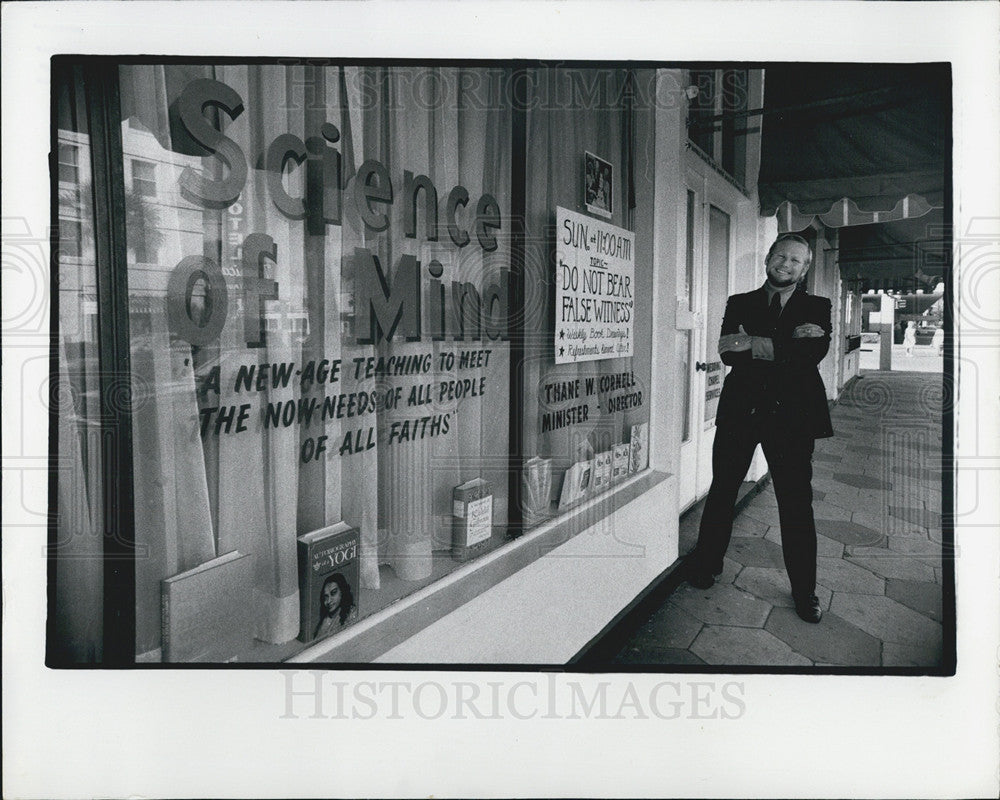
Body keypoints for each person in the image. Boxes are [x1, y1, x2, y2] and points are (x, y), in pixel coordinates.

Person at [686, 233, 833, 624]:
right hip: (741, 412)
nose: (786, 264)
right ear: (768, 258)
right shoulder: (740, 302)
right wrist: (783, 344)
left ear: (805, 270)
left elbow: (811, 354)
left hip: (793, 419)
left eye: (796, 260)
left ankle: (805, 591)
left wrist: (754, 341)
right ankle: (707, 565)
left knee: (796, 505)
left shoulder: (818, 305)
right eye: (781, 255)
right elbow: (728, 351)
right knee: (722, 491)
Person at [313, 572, 357, 639]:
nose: (328, 601)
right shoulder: (325, 620)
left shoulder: (351, 613)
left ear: (342, 591)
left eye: (333, 593)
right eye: (325, 597)